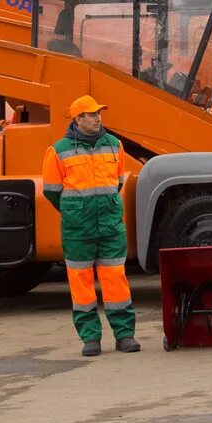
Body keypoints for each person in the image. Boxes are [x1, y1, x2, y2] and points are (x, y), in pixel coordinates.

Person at [42, 95, 139, 357]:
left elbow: (117, 182)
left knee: (116, 282)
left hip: (109, 226)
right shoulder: (59, 150)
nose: (98, 118)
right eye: (91, 114)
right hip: (78, 230)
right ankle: (90, 339)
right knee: (81, 285)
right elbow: (51, 191)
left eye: (99, 113)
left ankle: (125, 336)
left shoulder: (114, 145)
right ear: (78, 119)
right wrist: (77, 211)